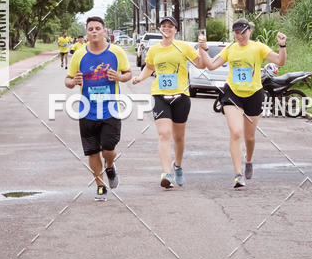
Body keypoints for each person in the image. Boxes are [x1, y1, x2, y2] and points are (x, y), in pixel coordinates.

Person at [207, 19, 287, 188]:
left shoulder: (258, 47)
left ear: (249, 31)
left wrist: (282, 45)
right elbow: (212, 66)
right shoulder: (230, 49)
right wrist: (203, 50)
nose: (240, 35)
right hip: (232, 94)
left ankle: (248, 160)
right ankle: (238, 174)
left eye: (243, 32)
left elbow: (280, 61)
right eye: (236, 32)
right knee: (236, 132)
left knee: (249, 137)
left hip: (254, 94)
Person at [132, 17, 209, 189]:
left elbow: (200, 64)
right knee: (164, 134)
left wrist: (203, 49)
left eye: (170, 26)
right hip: (160, 95)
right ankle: (166, 173)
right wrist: (140, 77)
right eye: (163, 26)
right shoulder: (154, 49)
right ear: (160, 29)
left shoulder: (184, 47)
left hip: (181, 96)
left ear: (176, 29)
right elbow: (149, 67)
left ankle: (178, 166)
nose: (166, 28)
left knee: (179, 137)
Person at [65, 16, 131, 201]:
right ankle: (100, 186)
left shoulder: (116, 52)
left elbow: (128, 74)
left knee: (108, 149)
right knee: (92, 151)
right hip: (87, 111)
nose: (94, 31)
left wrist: (118, 77)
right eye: (90, 29)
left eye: (97, 28)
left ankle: (110, 166)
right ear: (86, 33)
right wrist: (74, 82)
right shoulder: (79, 54)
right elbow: (68, 80)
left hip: (111, 109)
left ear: (104, 31)